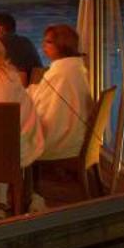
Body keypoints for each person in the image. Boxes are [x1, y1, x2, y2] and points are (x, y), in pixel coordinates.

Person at [0, 32, 44, 213]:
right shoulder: (12, 79)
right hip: (8, 149)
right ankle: (13, 200)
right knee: (14, 139)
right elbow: (28, 113)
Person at [29, 22, 93, 163]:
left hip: (61, 142)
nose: (43, 46)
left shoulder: (60, 73)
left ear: (62, 45)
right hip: (76, 137)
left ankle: (5, 182)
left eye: (48, 42)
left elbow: (43, 109)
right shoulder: (74, 67)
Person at [0, 12, 43, 84]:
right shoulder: (24, 40)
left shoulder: (10, 45)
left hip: (26, 91)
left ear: (0, 29)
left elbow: (21, 79)